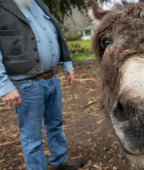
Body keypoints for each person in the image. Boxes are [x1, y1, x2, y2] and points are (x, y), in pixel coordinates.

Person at [0, 0, 83, 169]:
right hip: (25, 84)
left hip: (51, 78)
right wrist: (4, 86)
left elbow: (55, 33)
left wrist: (66, 63)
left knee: (55, 124)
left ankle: (59, 160)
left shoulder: (38, 3)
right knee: (32, 136)